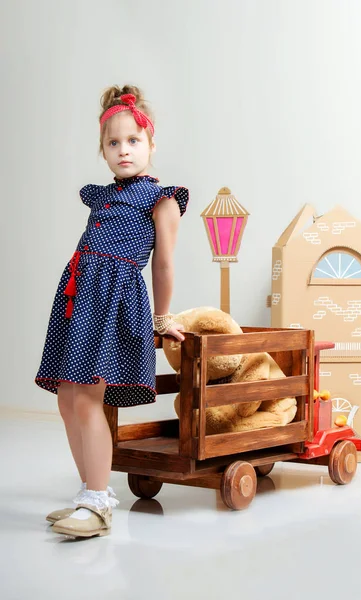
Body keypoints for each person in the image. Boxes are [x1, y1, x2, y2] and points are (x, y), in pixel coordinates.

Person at [35, 85, 189, 538]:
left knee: (88, 399)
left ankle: (99, 504)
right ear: (102, 151)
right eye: (113, 143)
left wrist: (161, 316)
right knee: (68, 400)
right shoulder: (100, 196)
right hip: (78, 296)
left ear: (152, 144)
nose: (124, 150)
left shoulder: (162, 200)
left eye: (134, 141)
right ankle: (88, 492)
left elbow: (163, 263)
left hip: (115, 300)